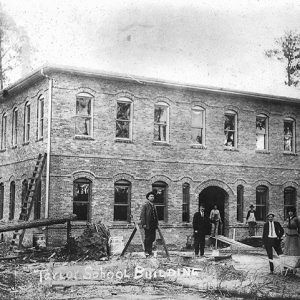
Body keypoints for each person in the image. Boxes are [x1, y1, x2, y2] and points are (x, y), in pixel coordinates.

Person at [140, 191, 158, 257]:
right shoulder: (145, 205)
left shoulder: (154, 206)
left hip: (153, 224)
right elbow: (142, 215)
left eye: (153, 196)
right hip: (148, 224)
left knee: (152, 238)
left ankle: (150, 251)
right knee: (147, 237)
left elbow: (156, 216)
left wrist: (157, 224)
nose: (152, 197)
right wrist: (143, 223)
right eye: (151, 196)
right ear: (148, 197)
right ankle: (146, 251)